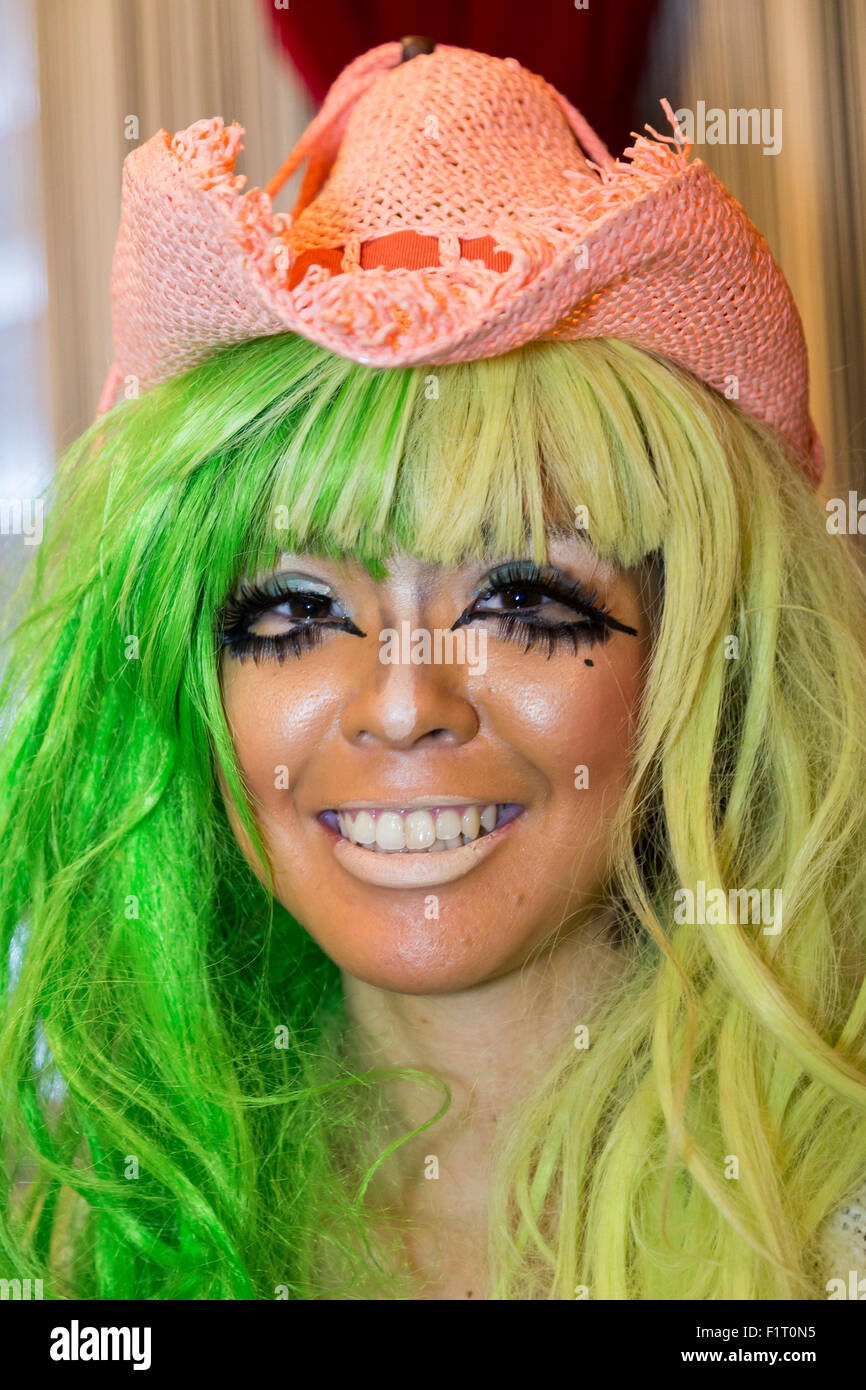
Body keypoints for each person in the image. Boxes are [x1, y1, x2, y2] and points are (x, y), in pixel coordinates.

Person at [1, 39, 864, 1302]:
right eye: (292, 611)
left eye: (521, 600)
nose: (403, 704)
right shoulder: (84, 1228)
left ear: (693, 660)